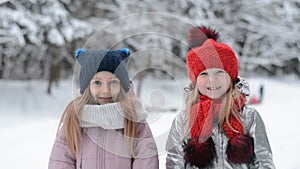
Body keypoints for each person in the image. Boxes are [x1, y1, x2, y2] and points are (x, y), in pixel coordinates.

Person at [166, 27, 275, 169]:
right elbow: (174, 162)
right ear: (195, 81)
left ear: (231, 77)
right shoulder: (183, 120)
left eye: (219, 72)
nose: (212, 80)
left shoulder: (249, 117)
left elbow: (264, 160)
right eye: (204, 74)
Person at [48, 48, 159, 169]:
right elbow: (60, 162)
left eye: (113, 82)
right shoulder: (74, 121)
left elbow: (146, 162)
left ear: (123, 86)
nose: (106, 90)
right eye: (97, 83)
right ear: (86, 87)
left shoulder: (135, 121)